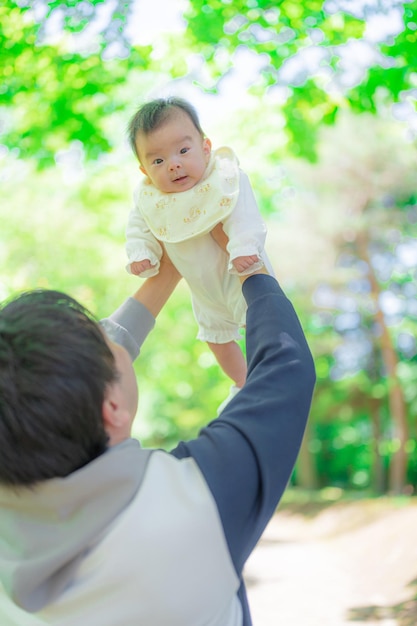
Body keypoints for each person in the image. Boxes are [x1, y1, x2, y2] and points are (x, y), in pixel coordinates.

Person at [0, 255, 315, 625]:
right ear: (113, 407)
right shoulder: (192, 502)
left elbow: (59, 380)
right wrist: (251, 266)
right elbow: (284, 367)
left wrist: (170, 269)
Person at [125, 96, 274, 407]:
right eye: (158, 161)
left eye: (183, 150)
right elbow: (139, 225)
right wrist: (142, 252)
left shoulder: (223, 180)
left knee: (258, 327)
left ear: (205, 148)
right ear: (144, 170)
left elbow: (244, 215)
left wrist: (244, 247)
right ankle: (242, 382)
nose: (174, 164)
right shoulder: (150, 198)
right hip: (203, 293)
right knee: (214, 338)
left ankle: (265, 380)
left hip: (238, 275)